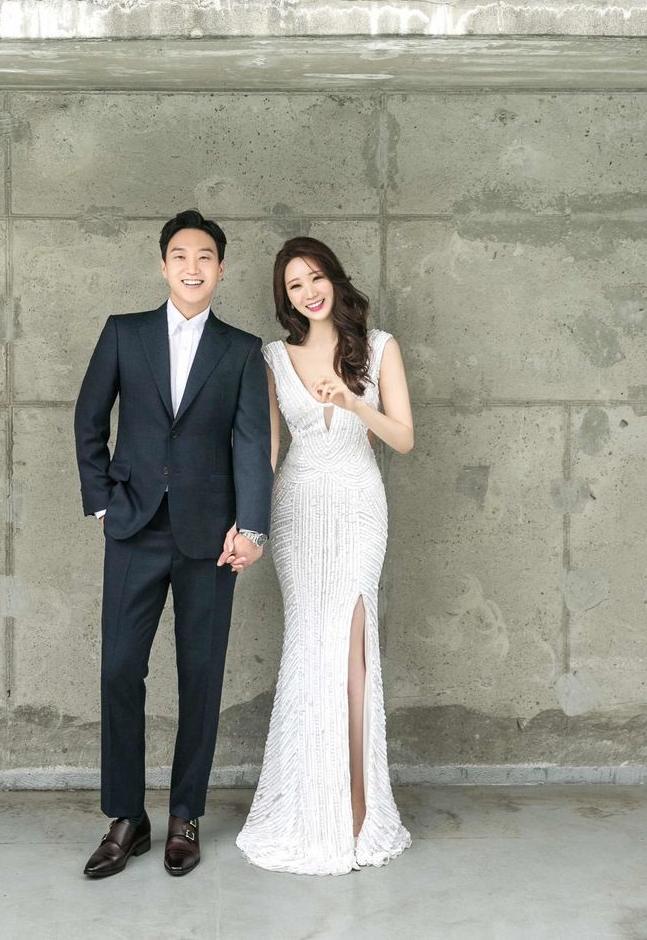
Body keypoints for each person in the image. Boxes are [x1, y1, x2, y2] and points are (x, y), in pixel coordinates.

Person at [75, 209, 273, 879]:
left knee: (201, 676)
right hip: (134, 526)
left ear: (221, 269)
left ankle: (186, 813)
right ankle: (126, 818)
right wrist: (103, 499)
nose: (193, 267)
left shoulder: (241, 350)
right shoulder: (124, 333)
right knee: (119, 669)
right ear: (163, 265)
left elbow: (252, 443)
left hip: (210, 536)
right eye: (181, 256)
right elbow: (88, 418)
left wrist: (251, 527)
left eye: (205, 257)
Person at [236, 236, 414, 875]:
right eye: (295, 285)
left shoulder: (380, 347)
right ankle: (312, 802)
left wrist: (352, 400)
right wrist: (250, 528)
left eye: (315, 277)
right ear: (285, 299)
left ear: (334, 280)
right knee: (311, 647)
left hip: (359, 505)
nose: (308, 291)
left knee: (354, 658)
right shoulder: (272, 357)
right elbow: (266, 452)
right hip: (300, 509)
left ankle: (360, 807)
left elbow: (403, 438)